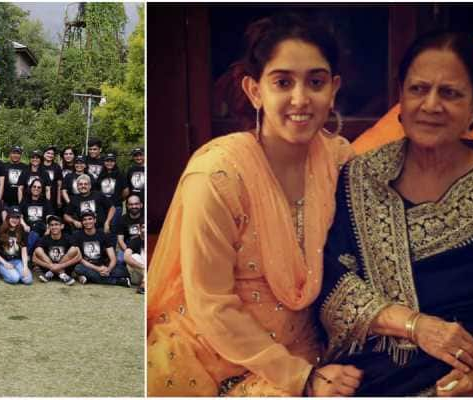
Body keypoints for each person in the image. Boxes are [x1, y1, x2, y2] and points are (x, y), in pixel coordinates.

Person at [146, 14, 356, 397]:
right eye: (282, 82)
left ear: (334, 89)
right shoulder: (217, 175)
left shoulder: (340, 161)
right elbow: (212, 305)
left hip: (304, 350)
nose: (300, 99)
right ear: (254, 90)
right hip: (205, 356)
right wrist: (301, 378)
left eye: (316, 82)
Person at [317, 30, 473, 396]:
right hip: (367, 379)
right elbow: (334, 290)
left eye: (450, 93)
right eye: (418, 89)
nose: (431, 105)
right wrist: (417, 327)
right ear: (400, 93)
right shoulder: (358, 178)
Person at [72, 209, 129, 287]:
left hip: (103, 265)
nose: (87, 221)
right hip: (88, 266)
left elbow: (113, 258)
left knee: (122, 270)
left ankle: (90, 278)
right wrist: (97, 269)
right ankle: (117, 281)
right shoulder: (77, 235)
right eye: (84, 220)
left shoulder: (103, 235)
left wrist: (108, 269)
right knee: (78, 268)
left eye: (90, 219)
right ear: (82, 222)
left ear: (95, 220)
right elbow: (80, 259)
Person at [32, 214, 79, 285]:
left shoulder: (68, 237)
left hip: (64, 268)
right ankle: (61, 273)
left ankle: (52, 273)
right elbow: (34, 258)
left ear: (62, 226)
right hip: (49, 268)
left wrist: (60, 266)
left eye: (56, 224)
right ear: (49, 227)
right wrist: (51, 266)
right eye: (52, 225)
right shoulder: (45, 238)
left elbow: (79, 256)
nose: (54, 227)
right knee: (38, 250)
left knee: (74, 249)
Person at [0, 206, 32, 285]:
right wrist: (4, 263)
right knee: (14, 279)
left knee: (28, 280)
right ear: (8, 217)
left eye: (17, 217)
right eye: (12, 217)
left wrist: (25, 267)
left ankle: (14, 272)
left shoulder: (22, 232)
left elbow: (24, 251)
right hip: (3, 260)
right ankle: (3, 271)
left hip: (17, 261)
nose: (15, 220)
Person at [18, 178, 54, 254]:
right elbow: (19, 215)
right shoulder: (25, 200)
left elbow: (49, 217)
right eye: (34, 186)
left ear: (41, 190)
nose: (36, 189)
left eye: (39, 187)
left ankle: (26, 254)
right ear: (31, 188)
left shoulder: (46, 201)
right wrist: (24, 225)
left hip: (41, 229)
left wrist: (48, 229)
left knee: (37, 228)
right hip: (27, 229)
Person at [96, 152, 128, 231]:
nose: (109, 163)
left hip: (116, 206)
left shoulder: (120, 174)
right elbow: (97, 190)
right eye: (107, 161)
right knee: (103, 227)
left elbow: (126, 191)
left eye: (112, 161)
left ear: (115, 162)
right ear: (104, 162)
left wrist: (119, 198)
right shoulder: (101, 175)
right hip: (103, 207)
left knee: (114, 228)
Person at [117, 194, 144, 265]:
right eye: (131, 204)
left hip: (143, 246)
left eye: (136, 204)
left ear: (141, 205)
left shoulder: (146, 217)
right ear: (127, 206)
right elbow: (120, 240)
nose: (134, 206)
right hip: (127, 246)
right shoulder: (122, 219)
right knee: (120, 260)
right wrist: (128, 252)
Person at [39, 145, 63, 211]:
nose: (50, 155)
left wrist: (58, 199)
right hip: (40, 196)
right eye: (48, 153)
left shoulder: (56, 167)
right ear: (44, 154)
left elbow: (59, 185)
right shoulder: (39, 166)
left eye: (52, 154)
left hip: (53, 196)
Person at [124, 223, 145, 295]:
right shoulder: (134, 241)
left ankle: (144, 284)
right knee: (135, 256)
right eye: (143, 227)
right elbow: (126, 257)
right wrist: (143, 267)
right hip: (137, 276)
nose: (145, 230)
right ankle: (144, 285)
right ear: (139, 228)